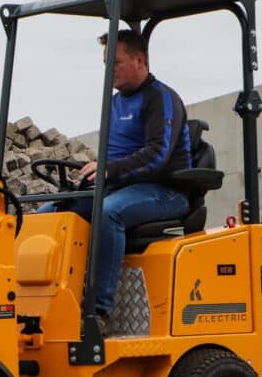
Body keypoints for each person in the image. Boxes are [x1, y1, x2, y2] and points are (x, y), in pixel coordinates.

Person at [47, 29, 192, 334]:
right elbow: (110, 156)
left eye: (115, 62)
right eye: (105, 63)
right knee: (51, 213)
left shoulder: (161, 98)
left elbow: (157, 156)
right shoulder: (114, 103)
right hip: (121, 186)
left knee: (109, 212)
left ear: (140, 60)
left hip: (166, 191)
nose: (108, 70)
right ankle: (47, 304)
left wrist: (110, 170)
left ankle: (98, 312)